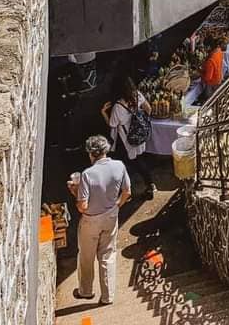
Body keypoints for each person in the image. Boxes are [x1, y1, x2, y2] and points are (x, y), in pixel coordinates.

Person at [68, 134, 131, 306]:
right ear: (106, 150)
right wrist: (117, 205)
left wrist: (75, 191)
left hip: (91, 220)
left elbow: (82, 206)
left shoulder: (87, 175)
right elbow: (127, 192)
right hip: (111, 215)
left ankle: (86, 291)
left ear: (91, 154)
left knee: (86, 256)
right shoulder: (119, 166)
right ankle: (108, 296)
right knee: (108, 254)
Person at [105, 77, 155, 197]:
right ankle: (149, 184)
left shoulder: (118, 107)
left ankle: (145, 185)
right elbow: (149, 109)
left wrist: (103, 113)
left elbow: (112, 124)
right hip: (139, 135)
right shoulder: (137, 95)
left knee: (132, 162)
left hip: (128, 140)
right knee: (140, 159)